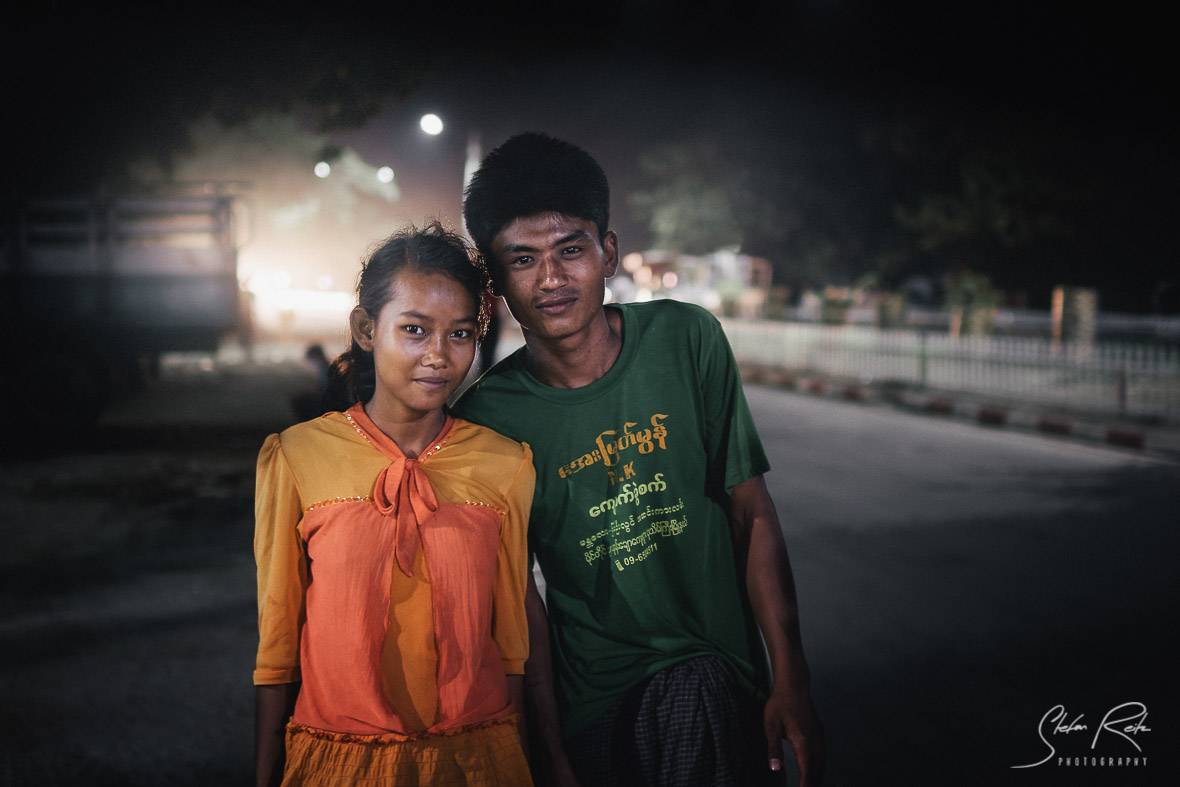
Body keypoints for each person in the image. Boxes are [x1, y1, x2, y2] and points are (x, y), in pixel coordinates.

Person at [454, 134, 824, 786]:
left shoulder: (687, 340)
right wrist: (549, 746)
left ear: (609, 252)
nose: (552, 279)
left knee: (692, 688)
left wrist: (790, 674)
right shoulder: (489, 417)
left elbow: (751, 512)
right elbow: (517, 600)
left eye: (571, 250)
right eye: (524, 259)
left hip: (713, 673)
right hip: (593, 704)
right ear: (495, 281)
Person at [253, 222, 536, 787]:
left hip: (476, 757)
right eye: (414, 329)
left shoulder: (506, 464)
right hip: (339, 758)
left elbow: (512, 646)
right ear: (365, 328)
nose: (438, 356)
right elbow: (278, 641)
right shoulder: (297, 456)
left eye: (460, 334)